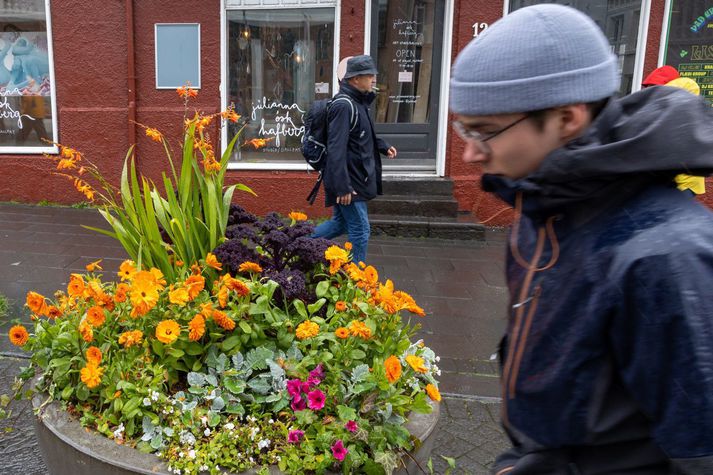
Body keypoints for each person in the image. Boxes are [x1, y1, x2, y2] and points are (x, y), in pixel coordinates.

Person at [449, 4, 713, 474]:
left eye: (484, 132)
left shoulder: (667, 256)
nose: (469, 152)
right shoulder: (541, 207)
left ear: (567, 118)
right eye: (463, 128)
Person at [312, 55, 397, 264]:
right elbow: (336, 149)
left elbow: (362, 134)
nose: (373, 79)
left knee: (339, 224)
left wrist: (383, 146)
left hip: (353, 177)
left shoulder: (358, 103)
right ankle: (357, 279)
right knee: (360, 230)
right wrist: (342, 187)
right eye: (369, 75)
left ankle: (300, 244)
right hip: (349, 182)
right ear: (354, 79)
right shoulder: (344, 106)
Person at [642, 67, 706, 197]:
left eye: (655, 88)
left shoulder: (678, 109)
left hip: (684, 181)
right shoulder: (666, 109)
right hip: (674, 179)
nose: (651, 94)